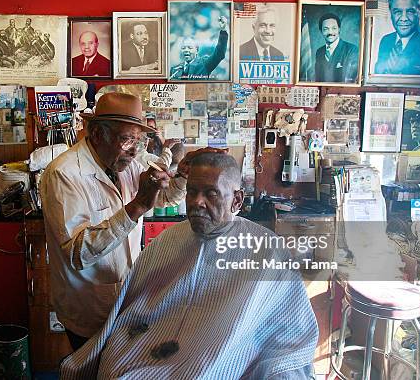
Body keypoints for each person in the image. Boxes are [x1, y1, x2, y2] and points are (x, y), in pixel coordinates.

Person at [60, 152, 318, 379]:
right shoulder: (169, 239)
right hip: (149, 342)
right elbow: (132, 308)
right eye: (192, 192)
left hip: (216, 356)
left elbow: (289, 333)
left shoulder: (267, 250)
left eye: (211, 193)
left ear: (237, 201)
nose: (197, 202)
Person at [40, 92, 219, 351]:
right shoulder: (64, 174)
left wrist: (181, 173)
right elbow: (78, 252)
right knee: (91, 369)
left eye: (138, 140)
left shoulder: (127, 163)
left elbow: (165, 196)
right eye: (127, 140)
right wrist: (136, 207)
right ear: (99, 134)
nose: (135, 150)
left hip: (125, 300)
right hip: (88, 307)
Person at [374, 0, 420, 75]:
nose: (404, 18)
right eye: (398, 12)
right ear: (391, 13)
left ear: (419, 13)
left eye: (410, 11)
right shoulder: (386, 41)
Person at [170, 15, 228, 80]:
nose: (186, 50)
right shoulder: (174, 69)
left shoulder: (204, 63)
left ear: (197, 49)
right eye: (183, 48)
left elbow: (219, 54)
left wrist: (223, 30)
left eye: (189, 47)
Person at [314, 13, 359, 83]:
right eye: (326, 29)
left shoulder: (351, 50)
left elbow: (351, 80)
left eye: (334, 28)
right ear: (321, 31)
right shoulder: (319, 52)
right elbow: (318, 79)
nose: (330, 32)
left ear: (339, 29)